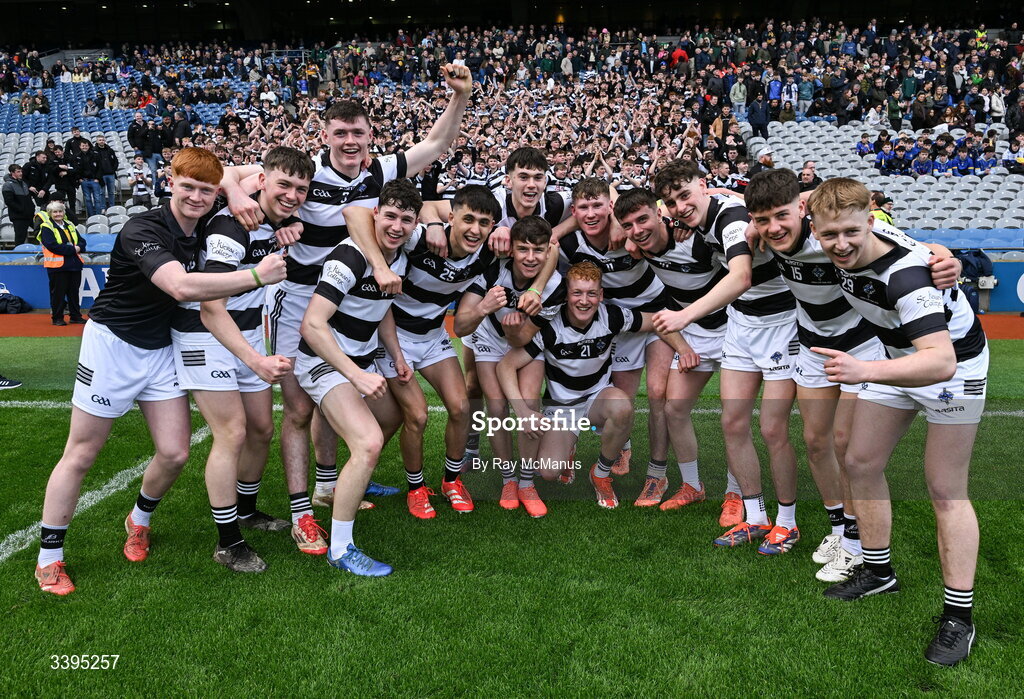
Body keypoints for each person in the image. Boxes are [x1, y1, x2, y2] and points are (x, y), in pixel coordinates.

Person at [220, 64, 473, 548]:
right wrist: (239, 195)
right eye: (340, 132)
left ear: (370, 135)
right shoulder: (308, 170)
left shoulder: (382, 171)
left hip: (359, 302)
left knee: (341, 397)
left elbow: (436, 147)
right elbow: (232, 174)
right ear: (326, 135)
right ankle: (303, 512)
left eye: (358, 132)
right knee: (298, 407)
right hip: (300, 299)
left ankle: (328, 483)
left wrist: (458, 98)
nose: (350, 140)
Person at [34, 148, 288, 596]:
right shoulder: (144, 227)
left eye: (204, 191)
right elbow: (180, 286)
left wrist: (227, 183)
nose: (194, 197)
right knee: (82, 452)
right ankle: (49, 557)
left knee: (174, 453)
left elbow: (257, 173)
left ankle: (139, 519)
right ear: (170, 181)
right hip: (113, 346)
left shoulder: (207, 218)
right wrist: (255, 276)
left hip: (162, 349)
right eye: (186, 186)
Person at [744, 169, 960, 581]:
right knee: (815, 442)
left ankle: (856, 543)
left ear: (802, 209)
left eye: (781, 216)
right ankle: (839, 528)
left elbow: (900, 245)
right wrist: (752, 224)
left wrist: (944, 254)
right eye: (762, 220)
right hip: (812, 346)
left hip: (863, 344)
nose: (773, 227)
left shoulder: (832, 230)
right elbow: (728, 200)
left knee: (846, 444)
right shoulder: (771, 230)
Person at [808, 178, 988, 667]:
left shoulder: (906, 276)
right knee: (860, 462)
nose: (840, 244)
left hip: (950, 367)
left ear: (871, 220)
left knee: (945, 488)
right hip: (894, 356)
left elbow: (939, 361)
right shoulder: (829, 230)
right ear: (815, 228)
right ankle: (878, 572)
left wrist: (863, 370)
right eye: (829, 236)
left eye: (850, 231)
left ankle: (959, 618)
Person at [170, 147, 312, 572]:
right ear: (262, 181)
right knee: (231, 432)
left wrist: (290, 223)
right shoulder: (232, 228)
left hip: (244, 329)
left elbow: (249, 186)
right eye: (283, 185)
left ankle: (246, 510)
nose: (291, 195)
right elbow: (211, 307)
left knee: (262, 429)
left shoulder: (274, 218)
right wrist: (256, 360)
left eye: (300, 189)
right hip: (205, 333)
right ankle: (227, 541)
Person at [652, 159, 801, 554]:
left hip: (781, 323)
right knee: (733, 422)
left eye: (685, 195)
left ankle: (787, 523)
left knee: (772, 428)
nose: (680, 206)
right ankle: (754, 517)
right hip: (743, 323)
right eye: (671, 201)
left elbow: (741, 276)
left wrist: (684, 315)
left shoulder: (732, 220)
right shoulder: (705, 218)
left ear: (703, 186)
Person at [296, 180, 421, 575]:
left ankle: (329, 487)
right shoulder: (348, 259)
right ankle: (341, 548)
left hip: (362, 361)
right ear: (376, 215)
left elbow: (381, 307)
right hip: (322, 360)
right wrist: (355, 375)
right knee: (367, 443)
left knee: (391, 417)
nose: (397, 225)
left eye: (406, 219)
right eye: (390, 215)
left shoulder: (398, 257)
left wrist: (396, 356)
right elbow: (312, 326)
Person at [496, 261, 691, 512]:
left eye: (591, 293)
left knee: (622, 407)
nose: (584, 301)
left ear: (601, 295)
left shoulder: (610, 316)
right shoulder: (550, 328)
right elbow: (505, 366)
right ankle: (567, 449)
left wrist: (684, 348)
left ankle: (600, 473)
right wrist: (522, 412)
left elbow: (656, 321)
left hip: (596, 399)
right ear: (566, 295)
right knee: (546, 472)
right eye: (577, 293)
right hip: (563, 409)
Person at [373, 185, 501, 518]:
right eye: (468, 219)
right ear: (452, 216)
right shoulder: (420, 238)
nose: (475, 229)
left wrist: (485, 307)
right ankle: (416, 488)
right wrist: (429, 223)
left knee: (462, 408)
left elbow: (461, 327)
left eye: (485, 223)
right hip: (393, 337)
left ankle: (451, 481)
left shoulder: (487, 256)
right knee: (415, 416)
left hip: (432, 336)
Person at [613, 188, 725, 511]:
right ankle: (691, 484)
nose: (637, 230)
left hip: (729, 327)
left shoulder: (695, 236)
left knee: (734, 415)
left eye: (643, 220)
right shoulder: (637, 244)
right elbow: (609, 197)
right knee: (672, 406)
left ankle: (733, 494)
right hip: (682, 328)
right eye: (629, 225)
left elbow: (713, 198)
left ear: (660, 213)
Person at [453, 215, 565, 512]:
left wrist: (515, 329)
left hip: (523, 341)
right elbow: (461, 327)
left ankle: (527, 483)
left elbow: (520, 341)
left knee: (530, 404)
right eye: (523, 249)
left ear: (548, 252)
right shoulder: (492, 270)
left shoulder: (555, 285)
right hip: (489, 337)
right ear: (511, 250)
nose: (530, 258)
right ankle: (508, 479)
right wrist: (483, 308)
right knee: (498, 407)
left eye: (538, 250)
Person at [37, 200, 86, 326]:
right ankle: (57, 318)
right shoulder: (46, 227)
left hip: (74, 264)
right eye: (55, 212)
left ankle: (75, 316)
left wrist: (79, 247)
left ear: (64, 212)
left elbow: (81, 241)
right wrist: (73, 249)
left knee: (74, 293)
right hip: (57, 266)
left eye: (60, 211)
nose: (58, 214)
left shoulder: (69, 224)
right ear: (50, 213)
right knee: (58, 294)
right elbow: (52, 246)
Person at [2, 164, 35, 246]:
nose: (21, 173)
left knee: (41, 229)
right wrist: (21, 210)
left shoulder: (23, 183)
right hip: (19, 217)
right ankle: (19, 257)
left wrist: (31, 208)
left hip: (29, 215)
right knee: (20, 238)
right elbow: (9, 202)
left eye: (21, 171)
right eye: (18, 172)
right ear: (12, 173)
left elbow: (28, 199)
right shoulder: (8, 185)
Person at [93, 134, 119, 212]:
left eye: (103, 140)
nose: (102, 141)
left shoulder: (110, 150)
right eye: (100, 140)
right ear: (97, 141)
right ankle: (103, 207)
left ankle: (112, 207)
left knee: (111, 192)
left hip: (110, 174)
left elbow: (115, 161)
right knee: (101, 193)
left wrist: (113, 169)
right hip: (101, 176)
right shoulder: (94, 151)